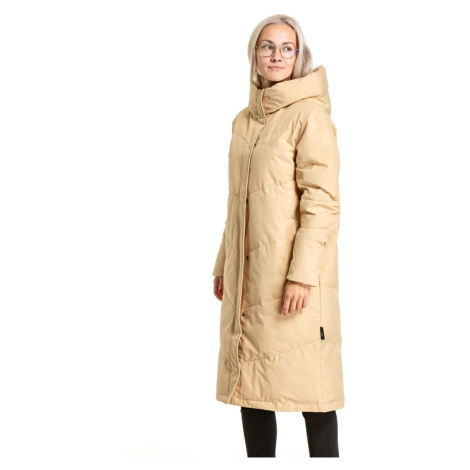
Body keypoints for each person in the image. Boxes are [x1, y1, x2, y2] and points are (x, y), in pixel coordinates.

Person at [212, 14, 344, 458]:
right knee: (252, 387)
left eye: (287, 48)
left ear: (299, 55)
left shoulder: (309, 116)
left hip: (292, 277)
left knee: (313, 392)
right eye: (267, 46)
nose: (276, 55)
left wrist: (302, 275)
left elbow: (322, 203)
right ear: (254, 54)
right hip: (250, 275)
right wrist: (223, 264)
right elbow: (239, 202)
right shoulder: (244, 121)